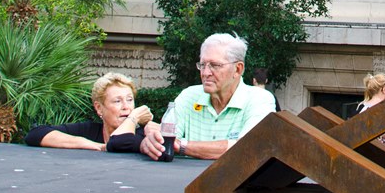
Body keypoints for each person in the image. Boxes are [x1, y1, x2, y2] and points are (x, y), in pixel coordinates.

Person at [139, 32, 275, 161]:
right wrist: (153, 142)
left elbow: (248, 147)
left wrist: (182, 145)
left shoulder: (260, 99)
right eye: (202, 65)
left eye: (215, 65)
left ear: (238, 69)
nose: (205, 73)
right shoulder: (188, 96)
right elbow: (166, 141)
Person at [25, 73, 150, 151]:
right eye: (117, 101)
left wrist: (134, 118)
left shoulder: (143, 134)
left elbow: (118, 143)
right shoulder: (90, 130)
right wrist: (91, 144)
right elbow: (36, 134)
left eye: (129, 100)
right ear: (99, 108)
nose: (126, 107)